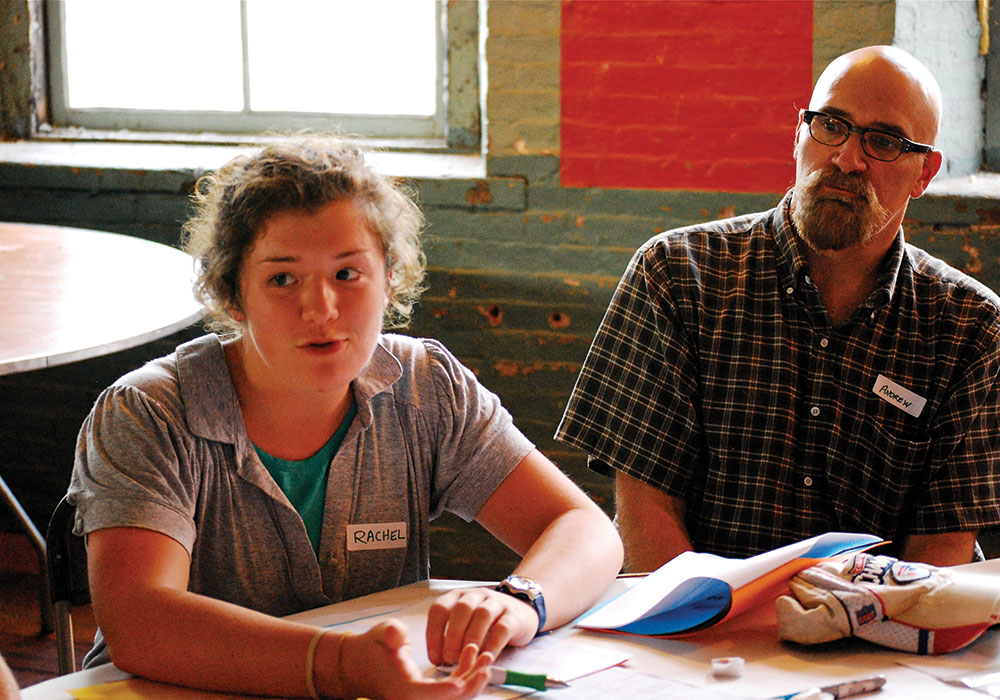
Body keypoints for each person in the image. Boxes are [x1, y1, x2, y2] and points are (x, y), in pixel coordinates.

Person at [68, 137, 623, 699]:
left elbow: (584, 527)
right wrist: (342, 666)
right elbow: (141, 623)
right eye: (283, 279)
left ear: (390, 278)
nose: (321, 309)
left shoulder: (426, 387)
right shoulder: (150, 412)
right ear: (233, 294)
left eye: (348, 274)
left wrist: (523, 600)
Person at [556, 45, 1000, 571]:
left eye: (883, 141)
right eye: (831, 125)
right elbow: (646, 513)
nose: (846, 159)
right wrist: (712, 617)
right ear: (799, 134)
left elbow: (940, 554)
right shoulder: (677, 274)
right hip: (698, 617)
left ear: (924, 173)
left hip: (878, 621)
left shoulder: (970, 327)